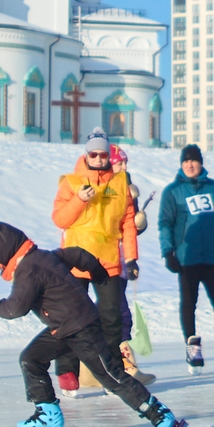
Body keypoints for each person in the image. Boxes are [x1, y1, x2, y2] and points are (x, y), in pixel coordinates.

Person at [0, 221, 185, 427]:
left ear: (5, 252)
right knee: (31, 358)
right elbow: (77, 255)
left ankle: (158, 413)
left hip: (82, 326)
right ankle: (48, 413)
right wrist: (96, 270)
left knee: (109, 375)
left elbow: (17, 307)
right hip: (63, 328)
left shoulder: (29, 269)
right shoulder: (44, 257)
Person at [50, 130, 150, 390]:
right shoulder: (70, 182)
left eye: (102, 154)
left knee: (111, 318)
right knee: (72, 314)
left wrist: (132, 258)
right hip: (75, 258)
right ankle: (67, 370)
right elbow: (60, 219)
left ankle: (113, 372)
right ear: (86, 155)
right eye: (93, 154)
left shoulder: (120, 185)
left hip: (107, 259)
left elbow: (128, 224)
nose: (97, 158)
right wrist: (79, 201)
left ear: (108, 157)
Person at [157, 144, 214, 372]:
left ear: (201, 163)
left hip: (213, 255)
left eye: (194, 161)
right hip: (187, 256)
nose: (190, 165)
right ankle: (192, 345)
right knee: (188, 302)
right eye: (186, 161)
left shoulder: (213, 188)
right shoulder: (172, 191)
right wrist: (168, 251)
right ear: (181, 164)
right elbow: (165, 223)